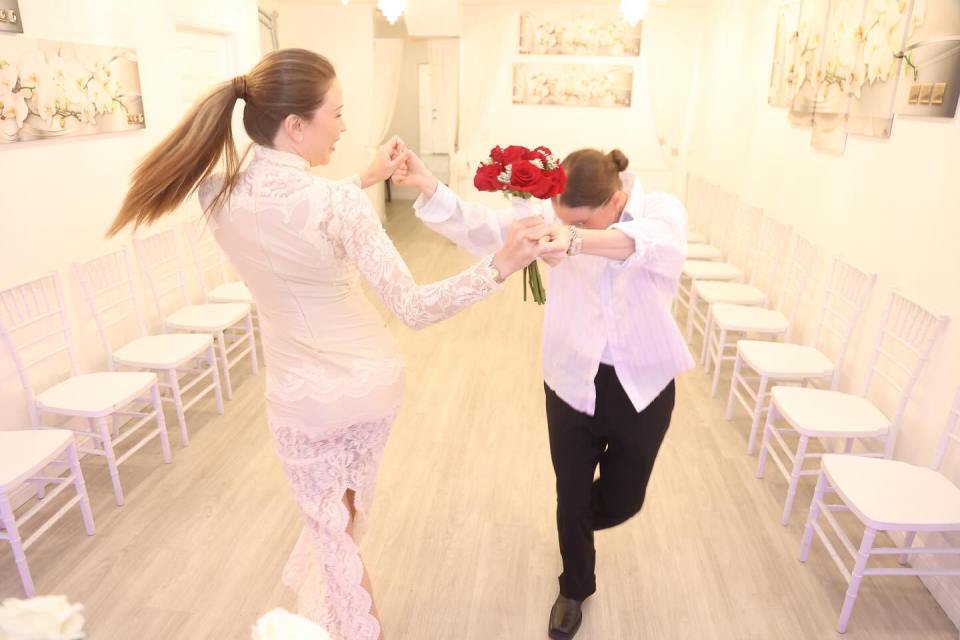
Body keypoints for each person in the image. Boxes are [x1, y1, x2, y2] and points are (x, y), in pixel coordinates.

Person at [106, 48, 565, 640]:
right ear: (296, 126)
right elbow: (414, 308)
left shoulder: (215, 194)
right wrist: (498, 265)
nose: (345, 127)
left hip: (298, 398)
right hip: (366, 387)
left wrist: (364, 179)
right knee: (339, 526)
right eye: (337, 114)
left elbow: (287, 211)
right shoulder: (337, 204)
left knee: (332, 531)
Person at [394, 147, 694, 640]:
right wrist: (431, 187)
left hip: (641, 383)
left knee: (624, 499)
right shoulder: (551, 216)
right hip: (569, 378)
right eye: (559, 216)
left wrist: (575, 239)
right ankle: (575, 584)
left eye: (576, 219)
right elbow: (484, 229)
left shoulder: (661, 210)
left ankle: (577, 523)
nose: (561, 225)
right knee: (570, 493)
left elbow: (651, 246)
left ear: (614, 201)